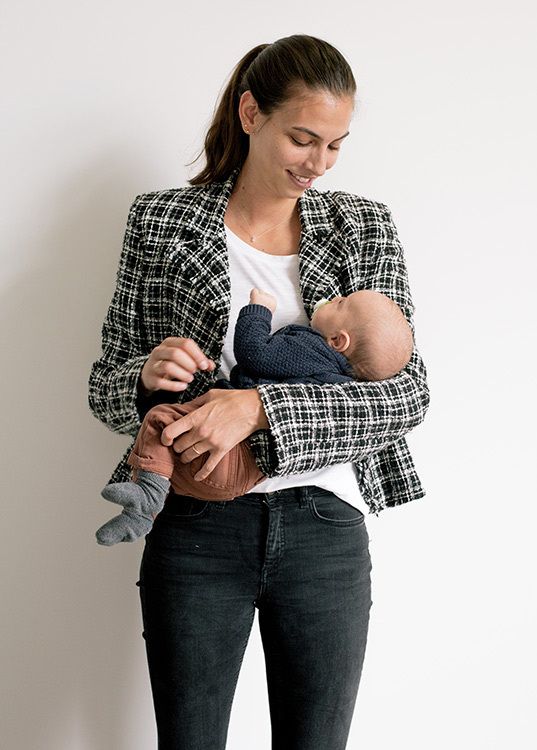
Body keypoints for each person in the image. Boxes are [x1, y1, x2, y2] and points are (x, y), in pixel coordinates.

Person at [88, 34, 429, 750]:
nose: (319, 163)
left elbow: (405, 396)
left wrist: (258, 407)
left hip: (324, 529)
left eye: (335, 145)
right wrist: (145, 375)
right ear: (251, 114)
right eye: (302, 138)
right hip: (194, 526)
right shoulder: (160, 222)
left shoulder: (363, 227)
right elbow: (104, 387)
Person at [95, 285, 414, 546]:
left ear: (337, 340)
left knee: (160, 420)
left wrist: (258, 311)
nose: (333, 296)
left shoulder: (310, 348)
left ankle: (145, 502)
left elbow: (253, 354)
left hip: (230, 459)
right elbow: (105, 385)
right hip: (247, 473)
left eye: (341, 303)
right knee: (172, 465)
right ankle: (143, 508)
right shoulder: (340, 379)